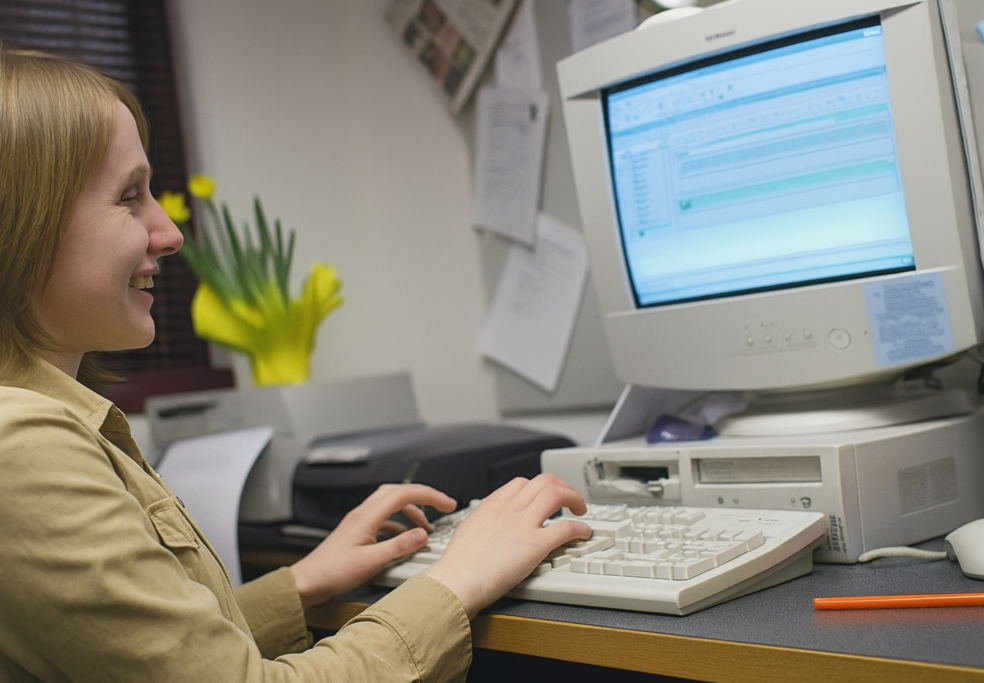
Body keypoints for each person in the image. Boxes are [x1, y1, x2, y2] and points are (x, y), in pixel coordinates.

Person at [0, 48, 591, 683]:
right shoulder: (23, 446)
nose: (169, 232)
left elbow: (151, 653)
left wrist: (302, 582)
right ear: (23, 224)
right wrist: (461, 577)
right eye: (128, 197)